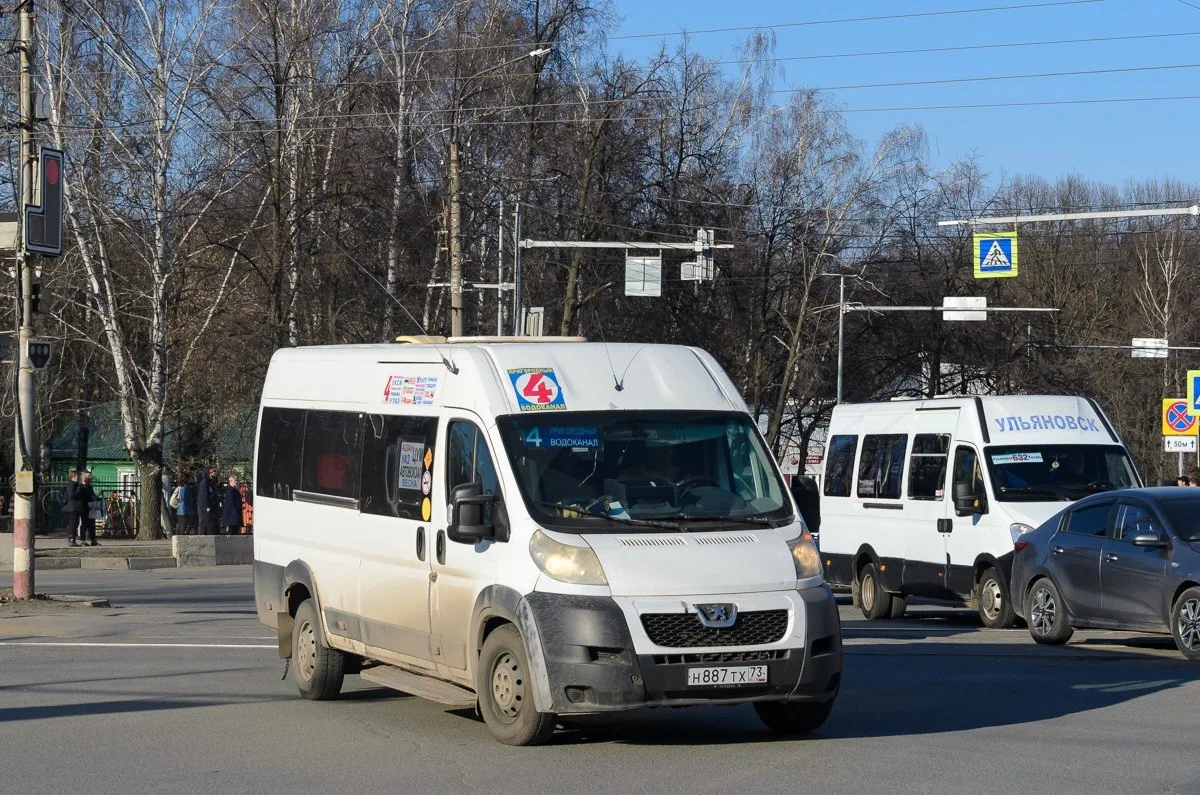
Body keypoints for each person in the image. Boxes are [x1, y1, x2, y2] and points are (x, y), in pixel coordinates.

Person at [62, 470, 84, 547]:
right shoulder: (72, 484)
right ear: (74, 476)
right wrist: (79, 488)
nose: (79, 477)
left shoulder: (70, 484)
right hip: (72, 508)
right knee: (73, 524)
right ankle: (71, 540)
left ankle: (72, 540)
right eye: (78, 475)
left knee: (72, 524)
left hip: (70, 507)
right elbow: (72, 495)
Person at [77, 470, 99, 546]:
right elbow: (80, 496)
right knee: (84, 524)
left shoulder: (89, 487)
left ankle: (93, 540)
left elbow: (92, 495)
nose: (90, 481)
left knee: (92, 524)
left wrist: (95, 497)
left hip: (91, 507)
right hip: (84, 507)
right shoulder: (80, 487)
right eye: (89, 479)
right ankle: (83, 540)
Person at [197, 466, 219, 534]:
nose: (213, 474)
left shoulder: (210, 483)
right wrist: (207, 507)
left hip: (209, 507)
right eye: (211, 472)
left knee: (208, 525)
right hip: (205, 508)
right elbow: (204, 496)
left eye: (213, 472)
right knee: (207, 525)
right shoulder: (204, 484)